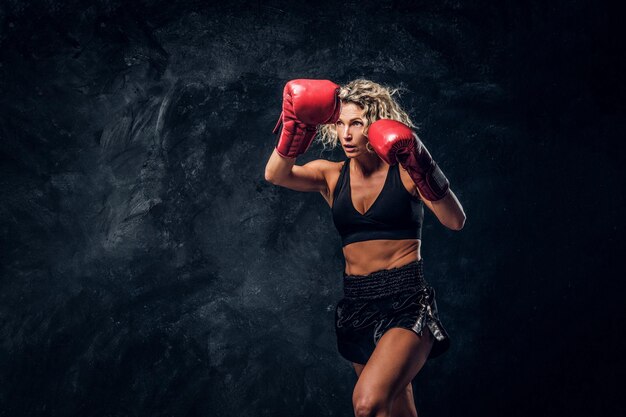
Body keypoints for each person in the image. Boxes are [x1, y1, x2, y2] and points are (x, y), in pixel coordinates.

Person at [264, 79, 466, 417]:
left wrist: (422, 164)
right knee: (394, 411)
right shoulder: (330, 175)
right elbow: (276, 175)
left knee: (367, 404)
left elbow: (455, 220)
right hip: (356, 305)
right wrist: (293, 128)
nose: (345, 134)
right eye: (340, 123)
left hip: (406, 302)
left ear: (374, 124)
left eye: (355, 123)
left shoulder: (404, 171)